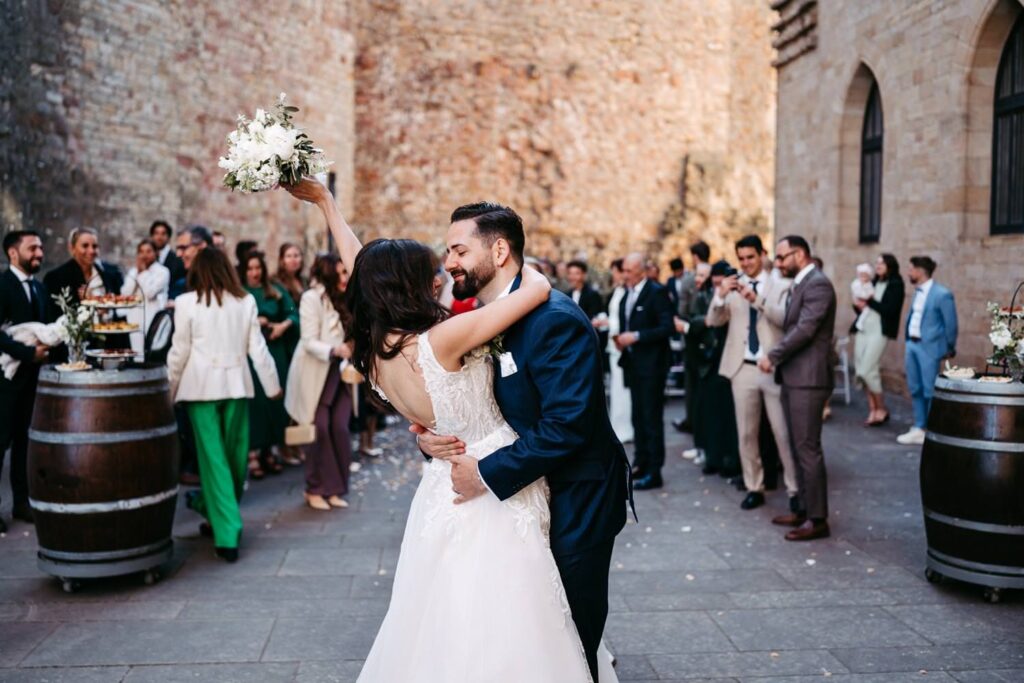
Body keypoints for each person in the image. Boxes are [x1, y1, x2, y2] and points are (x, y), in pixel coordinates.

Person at [285, 178, 628, 683]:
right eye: (439, 261)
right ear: (406, 285)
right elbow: (536, 287)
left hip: (467, 483)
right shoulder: (444, 337)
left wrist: (327, 204)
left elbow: (364, 264)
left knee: (457, 612)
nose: (446, 267)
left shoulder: (378, 349)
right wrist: (524, 274)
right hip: (483, 482)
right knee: (509, 616)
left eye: (456, 251)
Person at [166, 248, 281, 563]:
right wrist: (272, 387)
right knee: (232, 460)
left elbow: (179, 352)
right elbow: (258, 349)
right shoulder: (245, 301)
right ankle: (228, 531)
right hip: (235, 387)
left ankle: (208, 506)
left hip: (201, 388)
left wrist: (168, 389)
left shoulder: (188, 303)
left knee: (220, 461)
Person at [706, 236, 797, 511]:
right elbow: (713, 320)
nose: (746, 263)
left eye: (751, 257)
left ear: (762, 255)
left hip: (772, 367)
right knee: (746, 434)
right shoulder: (731, 286)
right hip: (741, 368)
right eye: (741, 258)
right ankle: (753, 486)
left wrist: (756, 299)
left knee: (783, 434)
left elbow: (786, 319)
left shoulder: (781, 284)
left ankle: (795, 491)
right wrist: (721, 295)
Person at [759, 235, 836, 542]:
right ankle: (803, 509)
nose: (777, 264)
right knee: (796, 446)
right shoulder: (801, 283)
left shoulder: (818, 284)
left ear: (800, 254)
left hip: (809, 379)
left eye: (782, 258)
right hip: (794, 377)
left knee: (807, 449)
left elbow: (805, 329)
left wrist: (773, 355)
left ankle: (818, 519)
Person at [285, 253, 354, 511]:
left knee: (339, 428)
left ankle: (335, 488)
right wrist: (335, 350)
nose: (345, 277)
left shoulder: (348, 298)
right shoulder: (311, 298)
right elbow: (308, 340)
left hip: (342, 374)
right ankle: (314, 488)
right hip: (316, 372)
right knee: (319, 429)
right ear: (329, 274)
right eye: (340, 273)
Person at [0, 231, 48, 530]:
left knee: (23, 443)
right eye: (33, 248)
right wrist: (29, 353)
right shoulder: (2, 285)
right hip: (4, 380)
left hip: (32, 380)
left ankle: (21, 502)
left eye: (41, 248)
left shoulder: (40, 289)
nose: (39, 253)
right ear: (13, 253)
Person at [617, 252, 674, 490]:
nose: (625, 275)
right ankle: (640, 461)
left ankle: (654, 470)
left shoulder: (656, 292)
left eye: (629, 271)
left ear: (641, 270)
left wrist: (637, 337)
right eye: (625, 270)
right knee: (637, 416)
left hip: (652, 365)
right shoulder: (627, 294)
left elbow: (667, 327)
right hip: (632, 365)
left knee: (651, 418)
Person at [678, 261, 740, 479]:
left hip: (728, 357)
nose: (716, 281)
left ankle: (729, 459)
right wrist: (703, 322)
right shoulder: (703, 294)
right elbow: (694, 319)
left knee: (728, 415)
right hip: (706, 360)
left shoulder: (736, 293)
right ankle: (713, 457)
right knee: (709, 413)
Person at [242, 250, 298, 478]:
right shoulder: (240, 294)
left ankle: (270, 450)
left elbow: (294, 313)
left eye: (258, 268)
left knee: (275, 400)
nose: (255, 273)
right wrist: (256, 322)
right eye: (250, 268)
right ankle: (253, 453)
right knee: (256, 403)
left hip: (275, 351)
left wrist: (282, 325)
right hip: (251, 354)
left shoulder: (274, 290)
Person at [897, 256, 957, 445]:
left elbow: (951, 324)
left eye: (911, 269)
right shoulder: (917, 292)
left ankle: (931, 429)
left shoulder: (942, 294)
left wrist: (949, 347)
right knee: (915, 387)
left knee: (930, 389)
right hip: (912, 345)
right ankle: (919, 426)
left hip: (929, 347)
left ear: (921, 271)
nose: (908, 272)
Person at [851, 254, 905, 426]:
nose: (878, 265)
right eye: (877, 262)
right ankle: (873, 409)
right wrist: (858, 305)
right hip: (863, 328)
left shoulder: (896, 284)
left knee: (866, 370)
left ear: (890, 265)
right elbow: (864, 307)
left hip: (879, 331)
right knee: (863, 369)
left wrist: (868, 301)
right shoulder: (873, 282)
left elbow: (889, 309)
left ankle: (881, 408)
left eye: (882, 262)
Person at [43, 227, 122, 322]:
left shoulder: (111, 274)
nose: (91, 251)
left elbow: (120, 311)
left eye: (95, 246)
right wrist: (89, 303)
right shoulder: (56, 278)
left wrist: (107, 311)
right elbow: (56, 318)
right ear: (72, 248)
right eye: (85, 246)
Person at [674, 240, 711, 434]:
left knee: (693, 386)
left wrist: (687, 324)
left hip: (693, 339)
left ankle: (694, 424)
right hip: (709, 341)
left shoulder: (688, 281)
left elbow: (682, 311)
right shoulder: (714, 276)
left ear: (695, 257)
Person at [598, 258, 633, 443]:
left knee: (623, 389)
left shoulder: (626, 291)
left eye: (615, 271)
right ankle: (617, 426)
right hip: (613, 345)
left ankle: (625, 427)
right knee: (617, 389)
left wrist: (607, 323)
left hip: (621, 344)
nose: (614, 275)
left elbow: (622, 319)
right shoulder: (618, 291)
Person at [120, 238, 170, 354]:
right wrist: (137, 273)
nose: (144, 255)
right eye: (141, 252)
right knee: (136, 353)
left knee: (151, 353)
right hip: (134, 318)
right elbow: (125, 293)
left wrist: (142, 273)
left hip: (153, 317)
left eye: (148, 251)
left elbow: (149, 293)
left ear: (155, 253)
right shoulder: (133, 271)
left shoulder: (162, 272)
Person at [169, 225, 213, 300]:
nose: (178, 254)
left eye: (183, 248)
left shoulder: (216, 280)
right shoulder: (184, 282)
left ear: (202, 246)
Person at [150, 220, 185, 286]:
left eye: (163, 234)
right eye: (156, 233)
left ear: (168, 237)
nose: (159, 237)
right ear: (152, 236)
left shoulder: (177, 260)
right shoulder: (148, 259)